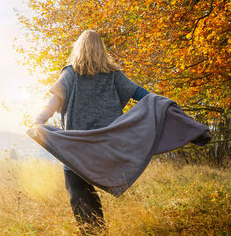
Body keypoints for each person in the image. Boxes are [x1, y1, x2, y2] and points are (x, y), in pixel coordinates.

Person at [33, 30, 149, 234]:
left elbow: (54, 102)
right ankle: (98, 231)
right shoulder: (114, 75)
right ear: (101, 50)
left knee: (78, 192)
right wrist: (166, 105)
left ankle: (94, 232)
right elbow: (143, 96)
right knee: (87, 194)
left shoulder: (70, 73)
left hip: (77, 150)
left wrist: (38, 121)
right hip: (107, 148)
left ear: (78, 48)